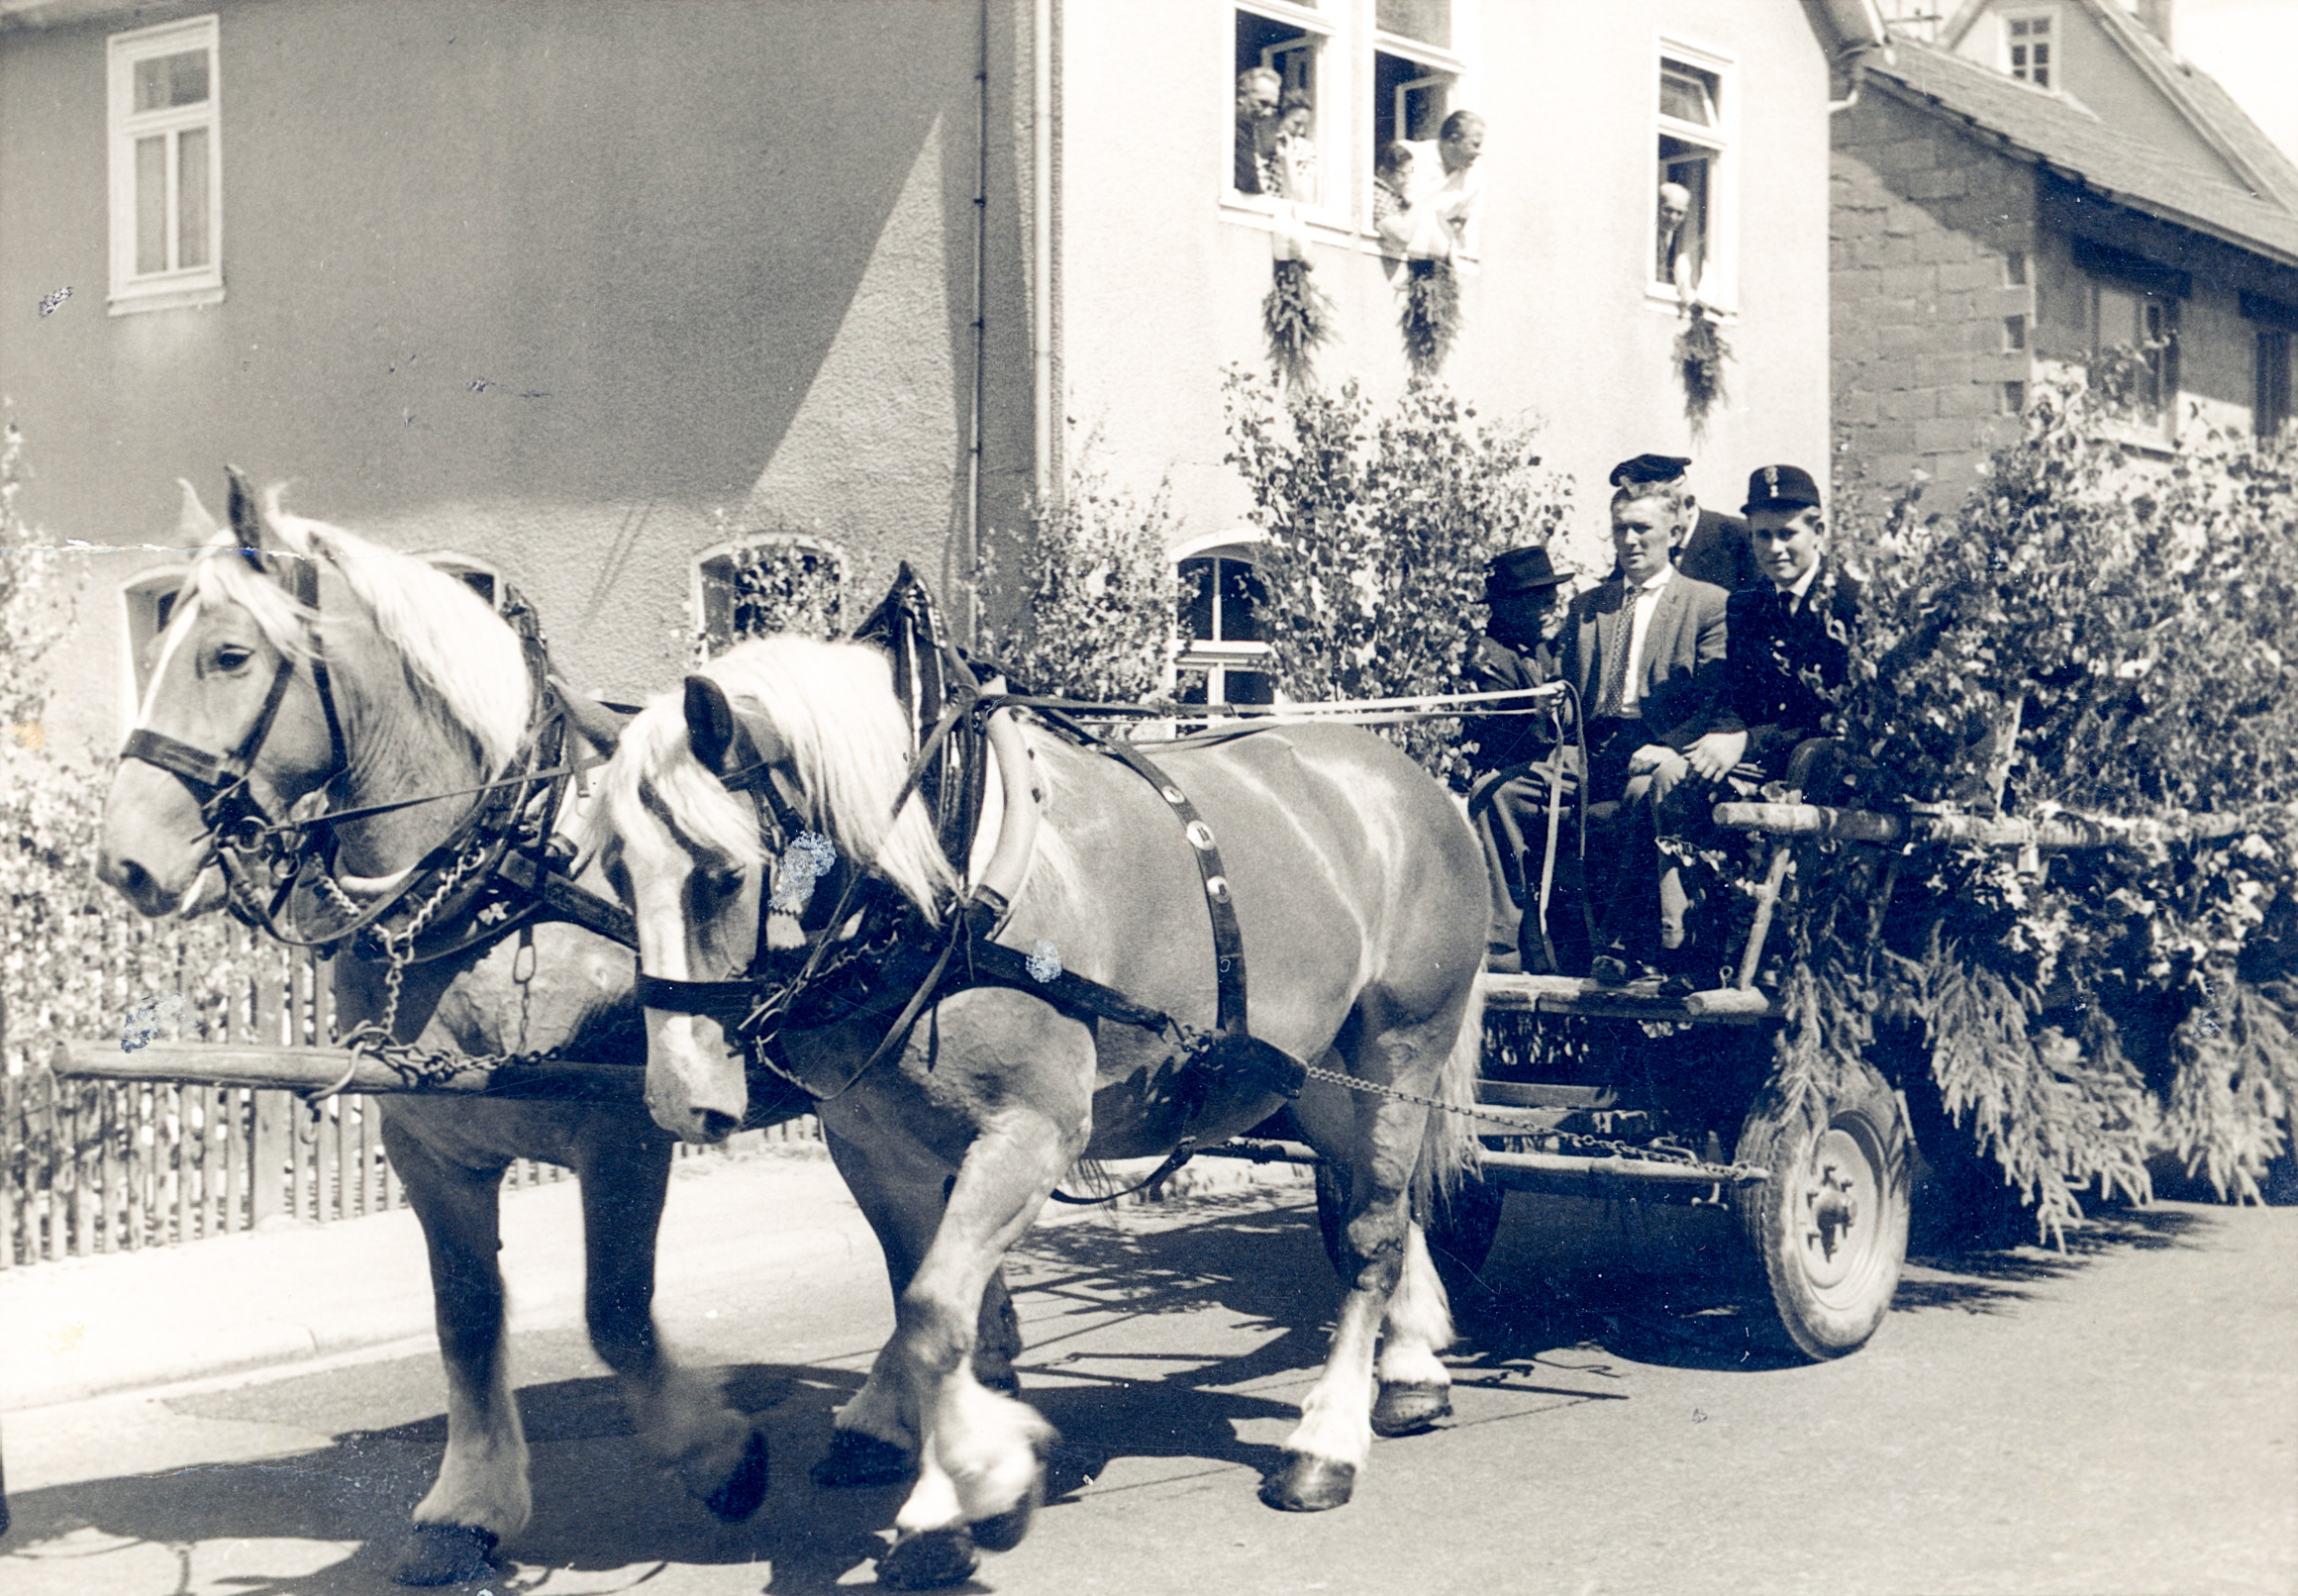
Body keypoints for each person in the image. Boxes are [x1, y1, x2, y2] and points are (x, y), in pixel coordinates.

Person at [1561, 458, 1730, 987]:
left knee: (1640, 791)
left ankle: (1628, 945)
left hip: (1660, 741)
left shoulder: (1707, 604)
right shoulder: (1589, 607)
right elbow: (1567, 691)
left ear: (1674, 532)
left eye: (1643, 529)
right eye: (1621, 529)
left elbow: (1712, 699)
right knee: (1501, 792)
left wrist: (1670, 747)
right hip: (1593, 747)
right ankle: (1503, 949)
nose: (1630, 540)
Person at [1702, 463, 1859, 796]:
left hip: (1827, 764)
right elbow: (1735, 690)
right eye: (1763, 535)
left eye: (1787, 534)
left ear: (1818, 532)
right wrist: (1728, 732)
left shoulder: (1850, 598)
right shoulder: (1746, 604)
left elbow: (1834, 712)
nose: (1774, 548)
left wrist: (1746, 740)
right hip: (1762, 759)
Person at [1463, 546, 1573, 974]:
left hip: (1554, 770)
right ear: (1506, 606)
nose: (1550, 607)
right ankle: (1504, 943)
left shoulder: (1545, 648)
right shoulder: (1487, 659)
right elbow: (1508, 737)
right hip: (1513, 776)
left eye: (1551, 597)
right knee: (1495, 796)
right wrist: (1539, 709)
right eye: (1537, 599)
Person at [1399, 110, 1486, 259]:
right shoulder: (1412, 157)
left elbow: (1460, 223)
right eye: (1475, 144)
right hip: (1397, 252)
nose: (1479, 152)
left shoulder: (1474, 177)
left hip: (1436, 259)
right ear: (1453, 140)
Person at [1235, 67, 1280, 195]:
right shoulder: (1239, 124)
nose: (1268, 113)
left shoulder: (1252, 129)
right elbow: (1248, 183)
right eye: (1263, 103)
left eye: (1273, 107)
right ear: (1241, 96)